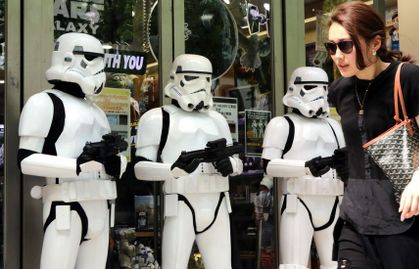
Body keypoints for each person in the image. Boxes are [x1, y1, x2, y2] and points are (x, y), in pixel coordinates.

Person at [325, 2, 419, 269]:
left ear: (374, 43)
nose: (337, 55)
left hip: (405, 216)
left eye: (345, 45)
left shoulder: (407, 78)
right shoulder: (340, 90)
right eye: (331, 47)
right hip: (356, 218)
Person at [17, 32, 127, 269]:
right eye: (91, 58)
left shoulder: (96, 111)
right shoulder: (43, 103)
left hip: (99, 206)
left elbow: (111, 159)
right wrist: (77, 165)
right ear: (67, 58)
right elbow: (25, 160)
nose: (99, 69)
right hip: (66, 207)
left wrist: (117, 163)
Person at [134, 54, 243, 269]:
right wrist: (172, 170)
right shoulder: (158, 119)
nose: (202, 86)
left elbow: (236, 162)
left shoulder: (218, 120)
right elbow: (140, 168)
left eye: (207, 79)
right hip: (181, 204)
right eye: (193, 77)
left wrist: (230, 165)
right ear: (176, 78)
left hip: (217, 204)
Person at [262, 66, 347, 269]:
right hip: (298, 203)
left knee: (337, 265)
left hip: (333, 202)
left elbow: (344, 160)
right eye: (310, 87)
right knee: (294, 266)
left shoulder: (334, 126)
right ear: (294, 89)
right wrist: (306, 167)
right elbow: (269, 165)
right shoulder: (281, 124)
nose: (319, 94)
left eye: (324, 88)